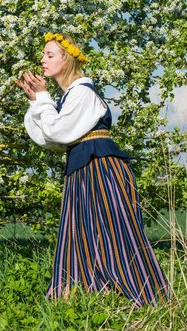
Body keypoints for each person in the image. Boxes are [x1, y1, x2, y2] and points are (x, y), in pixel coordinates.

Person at [16, 32, 169, 306]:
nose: (42, 60)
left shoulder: (83, 93)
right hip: (83, 168)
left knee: (116, 229)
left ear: (68, 59)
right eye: (43, 55)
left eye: (50, 55)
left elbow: (59, 131)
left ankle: (146, 294)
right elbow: (47, 138)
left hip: (102, 168)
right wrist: (36, 101)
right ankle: (88, 293)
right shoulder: (69, 97)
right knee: (81, 230)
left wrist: (42, 98)